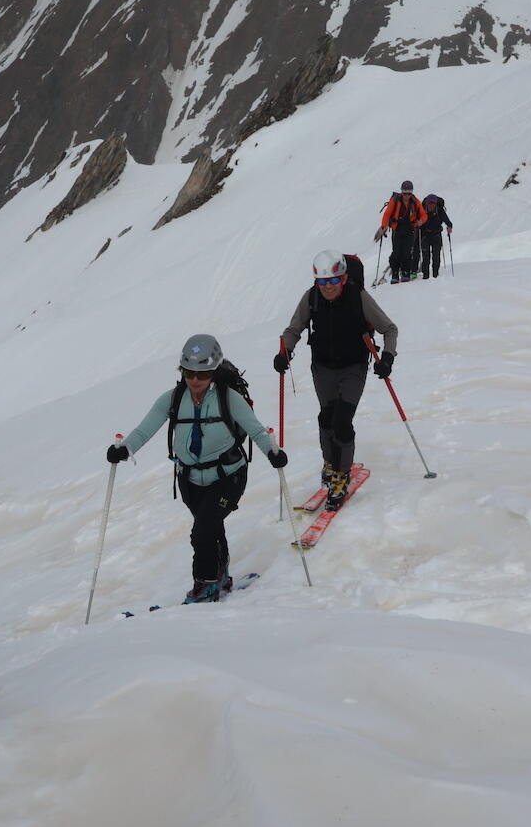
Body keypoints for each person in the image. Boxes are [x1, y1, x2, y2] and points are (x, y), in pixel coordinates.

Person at [107, 335, 287, 603]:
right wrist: (125, 449)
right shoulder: (172, 399)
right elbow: (145, 429)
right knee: (210, 527)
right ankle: (221, 575)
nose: (194, 379)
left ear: (214, 371)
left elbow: (256, 430)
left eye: (202, 374)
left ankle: (205, 583)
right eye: (188, 372)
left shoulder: (229, 398)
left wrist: (273, 452)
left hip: (228, 476)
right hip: (189, 480)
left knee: (203, 529)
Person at [273, 251, 399, 509]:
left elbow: (389, 328)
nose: (327, 287)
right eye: (322, 281)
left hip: (353, 367)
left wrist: (387, 357)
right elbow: (294, 329)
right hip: (322, 368)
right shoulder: (311, 298)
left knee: (342, 421)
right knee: (326, 418)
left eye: (332, 281)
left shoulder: (358, 297)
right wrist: (284, 352)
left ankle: (341, 475)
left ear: (343, 278)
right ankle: (330, 463)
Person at [374, 180, 426, 284]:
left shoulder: (415, 202)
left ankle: (405, 273)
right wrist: (384, 225)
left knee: (407, 252)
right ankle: (395, 274)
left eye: (409, 193)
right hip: (397, 229)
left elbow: (423, 215)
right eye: (405, 193)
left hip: (410, 229)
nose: (406, 195)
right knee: (396, 252)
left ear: (411, 192)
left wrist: (420, 221)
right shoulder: (395, 200)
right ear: (402, 192)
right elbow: (387, 214)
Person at [418, 193, 453, 279]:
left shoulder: (439, 210)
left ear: (436, 203)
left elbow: (447, 221)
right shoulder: (422, 210)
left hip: (436, 235)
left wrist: (449, 227)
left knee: (436, 256)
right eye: (429, 203)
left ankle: (435, 275)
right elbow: (417, 221)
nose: (431, 205)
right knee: (426, 257)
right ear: (426, 203)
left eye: (433, 203)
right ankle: (426, 276)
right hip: (425, 235)